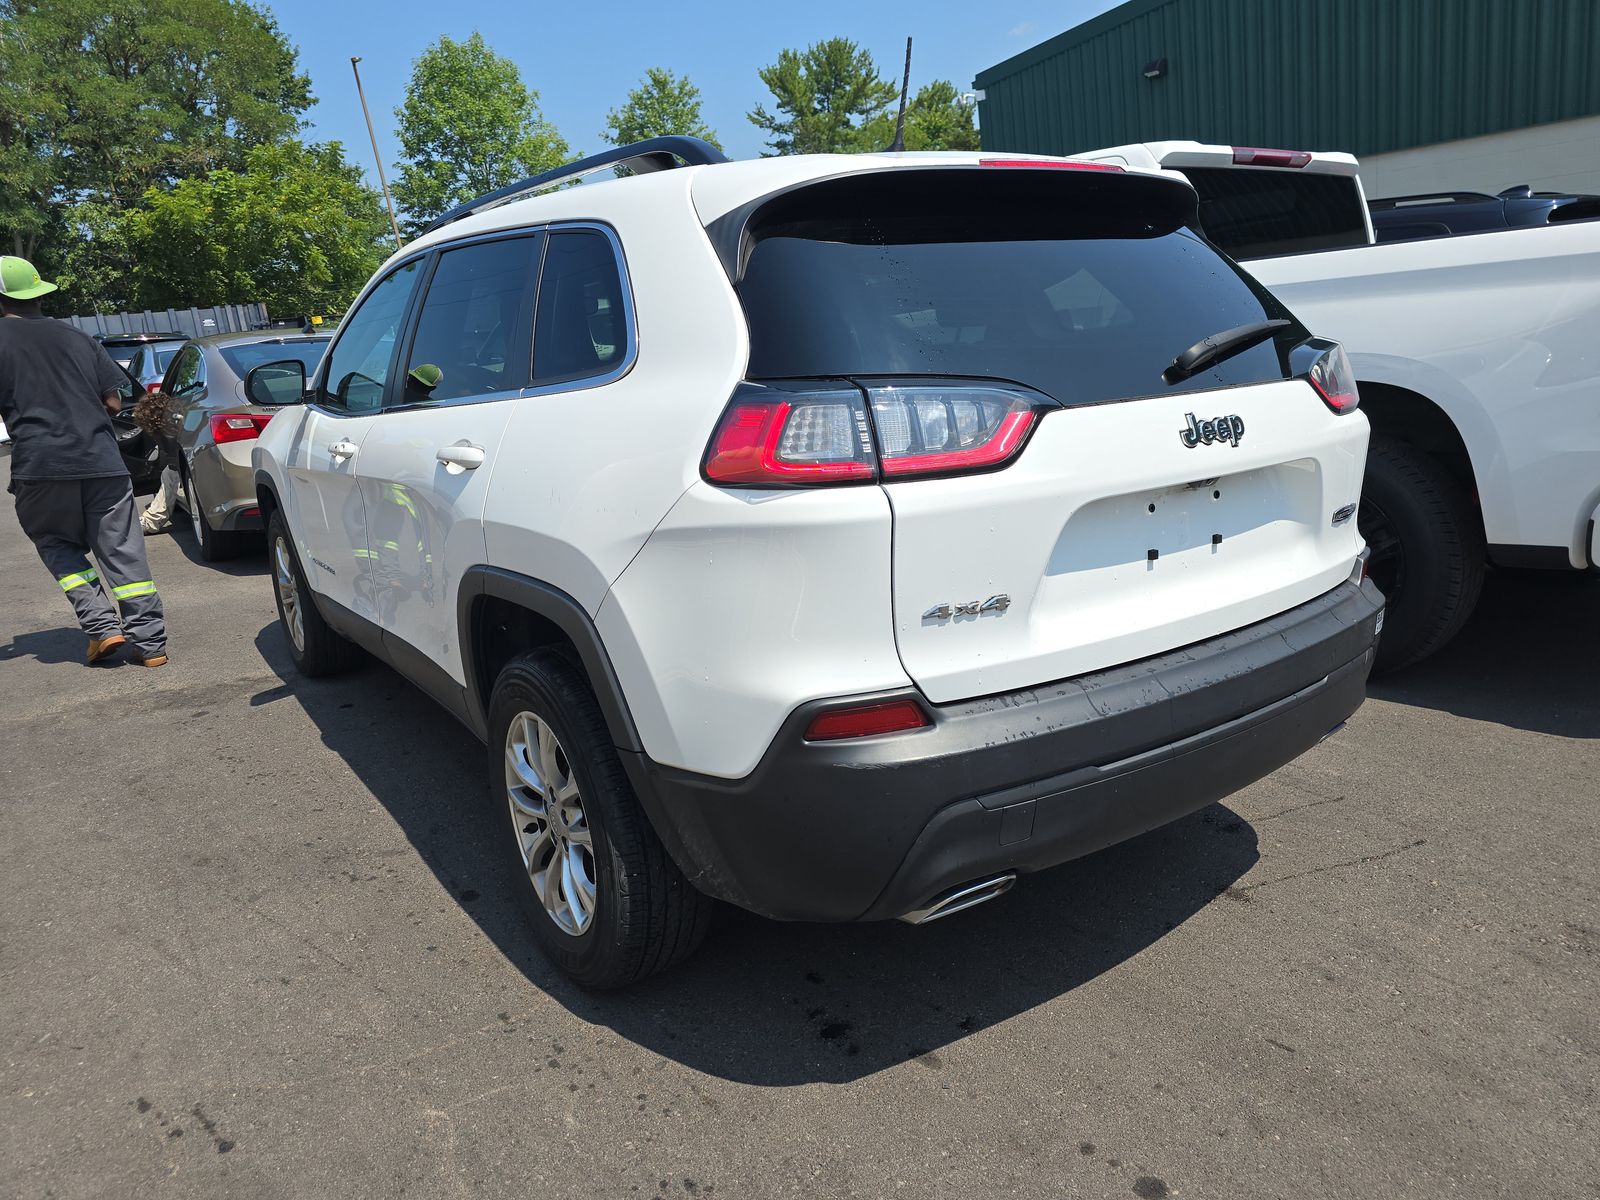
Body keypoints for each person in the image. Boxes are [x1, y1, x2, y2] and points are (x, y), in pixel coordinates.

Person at [0, 256, 168, 667]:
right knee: (123, 550)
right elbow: (113, 400)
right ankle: (150, 646)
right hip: (102, 461)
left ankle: (102, 627)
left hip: (40, 467)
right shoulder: (77, 336)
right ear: (38, 294)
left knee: (56, 544)